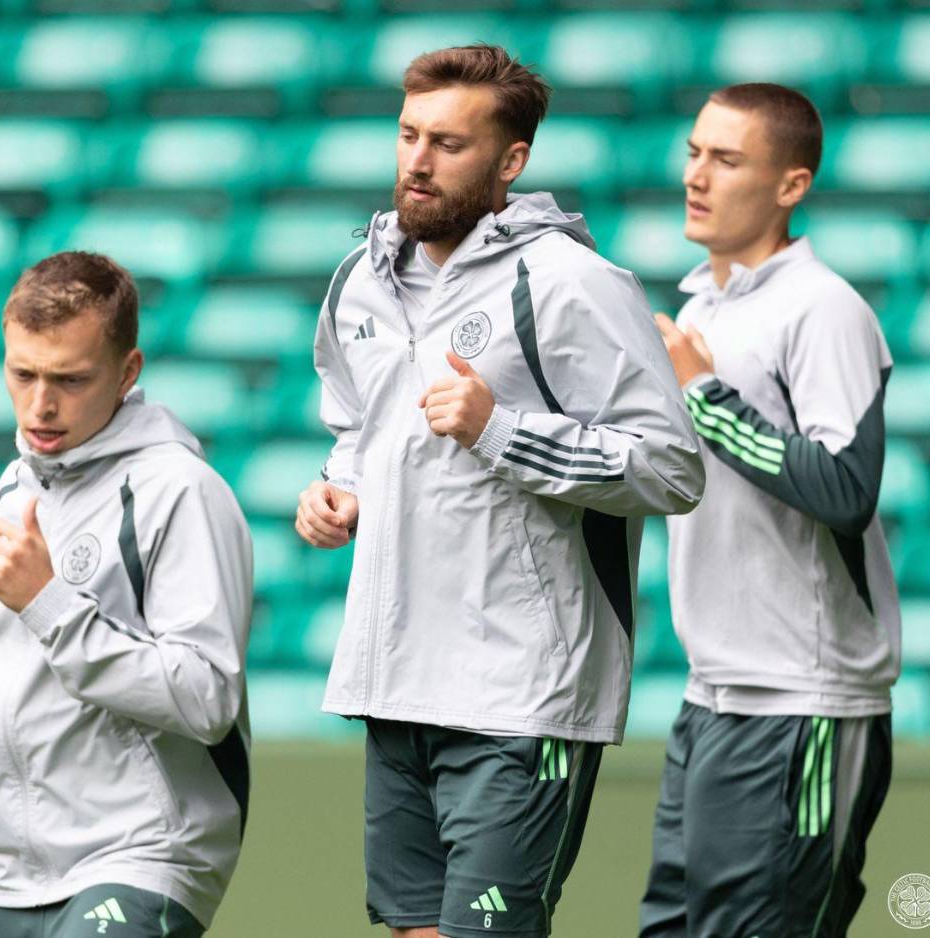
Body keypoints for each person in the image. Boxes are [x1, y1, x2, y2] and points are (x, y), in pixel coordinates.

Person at [295, 45, 705, 938]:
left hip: (524, 691)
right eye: (408, 134)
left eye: (448, 142)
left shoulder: (572, 285)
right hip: (394, 679)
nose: (417, 160)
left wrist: (498, 428)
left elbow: (671, 468)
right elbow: (357, 431)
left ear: (511, 160)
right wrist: (338, 490)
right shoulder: (360, 277)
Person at [0, 251, 253, 938]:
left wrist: (46, 599)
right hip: (15, 869)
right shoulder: (17, 487)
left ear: (127, 372)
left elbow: (207, 698)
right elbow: (28, 670)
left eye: (71, 380)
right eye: (23, 375)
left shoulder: (181, 492)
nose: (41, 404)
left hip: (143, 852)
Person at [639, 83, 899, 938]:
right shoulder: (703, 308)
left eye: (726, 159)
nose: (697, 176)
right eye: (693, 153)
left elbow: (845, 492)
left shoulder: (823, 309)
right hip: (711, 695)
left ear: (791, 185)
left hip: (803, 704)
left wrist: (703, 396)